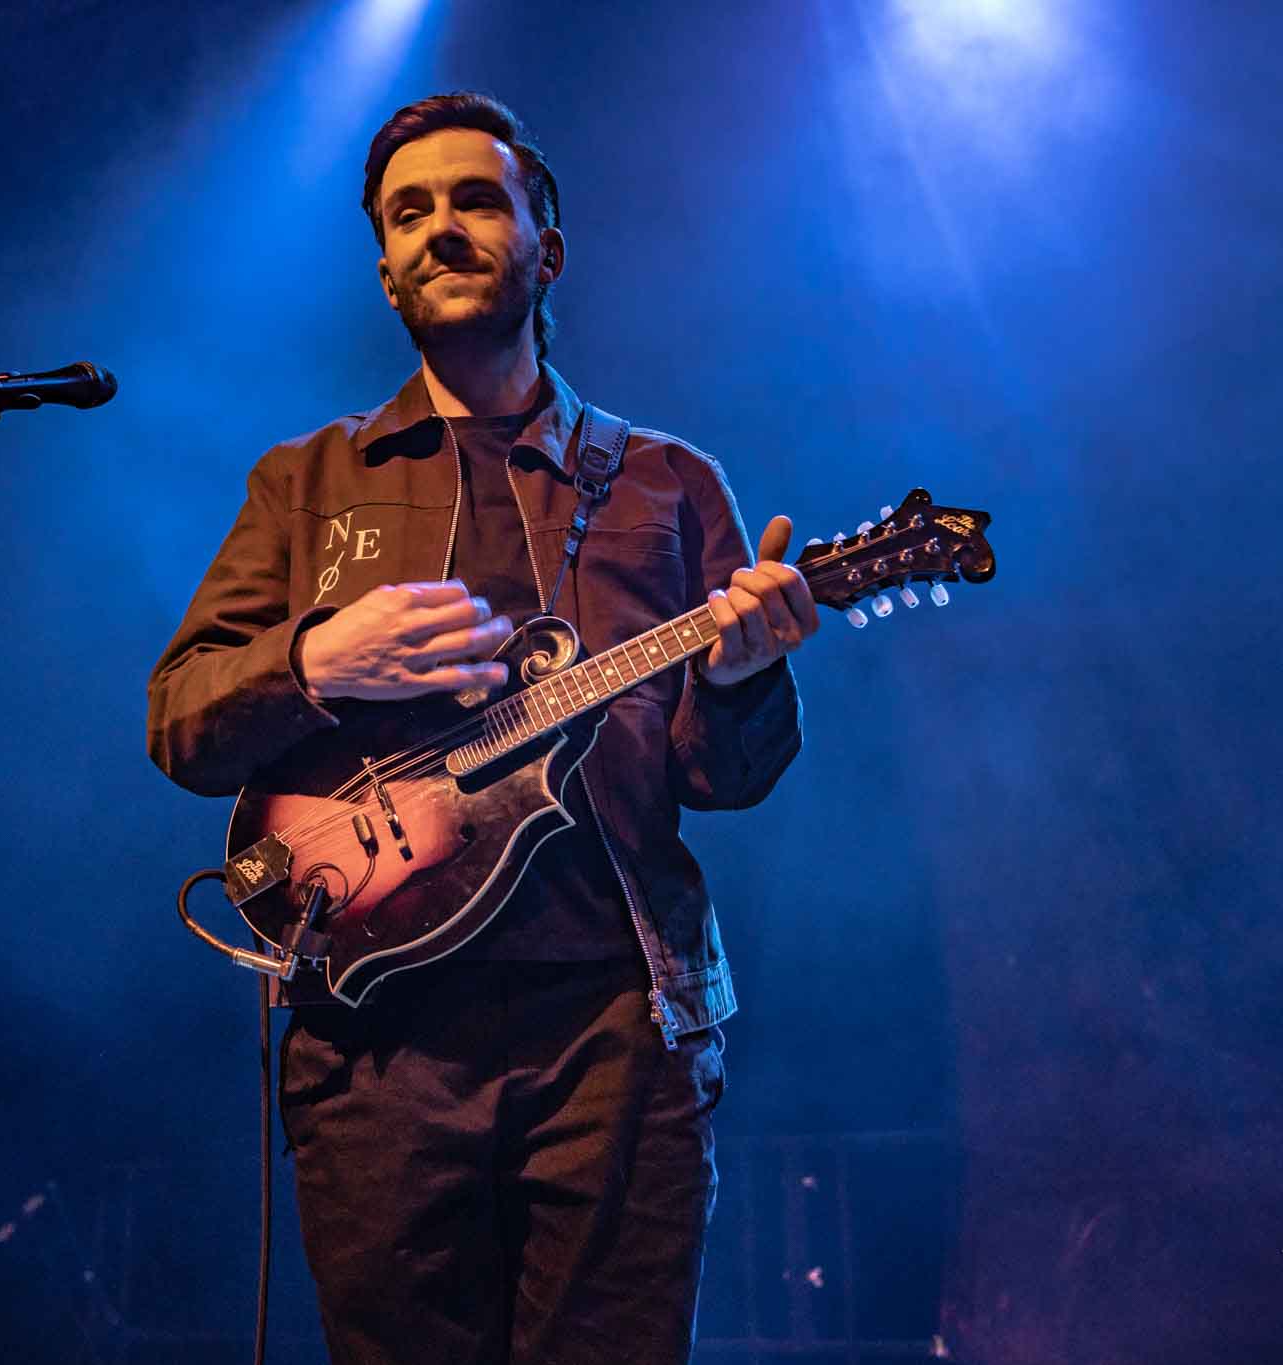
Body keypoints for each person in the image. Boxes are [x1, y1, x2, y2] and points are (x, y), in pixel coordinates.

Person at [146, 92, 812, 1365]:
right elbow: (179, 726)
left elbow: (720, 782)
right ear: (385, 271)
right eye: (409, 213)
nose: (441, 228)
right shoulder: (307, 482)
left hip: (618, 1029)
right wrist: (312, 662)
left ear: (544, 248)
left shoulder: (670, 483)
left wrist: (737, 678)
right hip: (377, 1039)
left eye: (475, 200)